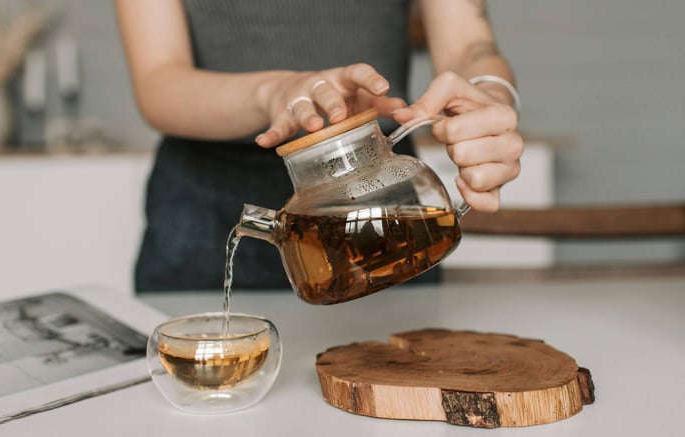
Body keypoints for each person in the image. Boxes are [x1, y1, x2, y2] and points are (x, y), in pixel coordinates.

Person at [114, 0, 523, 293]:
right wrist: (274, 93)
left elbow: (470, 46)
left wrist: (490, 98)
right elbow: (158, 81)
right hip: (203, 209)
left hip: (380, 200)